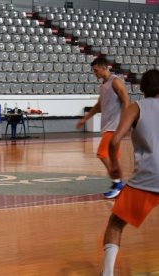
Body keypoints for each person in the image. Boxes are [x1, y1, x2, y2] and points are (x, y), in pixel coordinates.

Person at [101, 69, 159, 275]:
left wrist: (115, 167)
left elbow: (115, 140)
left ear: (141, 88)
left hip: (147, 177)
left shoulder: (136, 107)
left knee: (116, 224)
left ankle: (107, 273)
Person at [76, 57, 130, 199]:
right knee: (114, 159)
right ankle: (119, 184)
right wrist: (85, 118)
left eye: (96, 70)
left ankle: (117, 183)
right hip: (108, 127)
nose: (94, 73)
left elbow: (126, 101)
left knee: (102, 154)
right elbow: (99, 105)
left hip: (114, 127)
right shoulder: (103, 85)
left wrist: (124, 123)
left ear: (104, 67)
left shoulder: (115, 81)